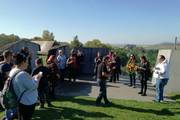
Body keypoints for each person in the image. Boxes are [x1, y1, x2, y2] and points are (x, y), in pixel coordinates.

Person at [10, 53, 41, 120]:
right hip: (27, 101)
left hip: (19, 100)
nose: (28, 64)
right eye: (27, 62)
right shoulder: (22, 74)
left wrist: (32, 78)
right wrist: (38, 78)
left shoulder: (13, 70)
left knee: (21, 117)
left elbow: (23, 84)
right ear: (23, 62)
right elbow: (34, 86)